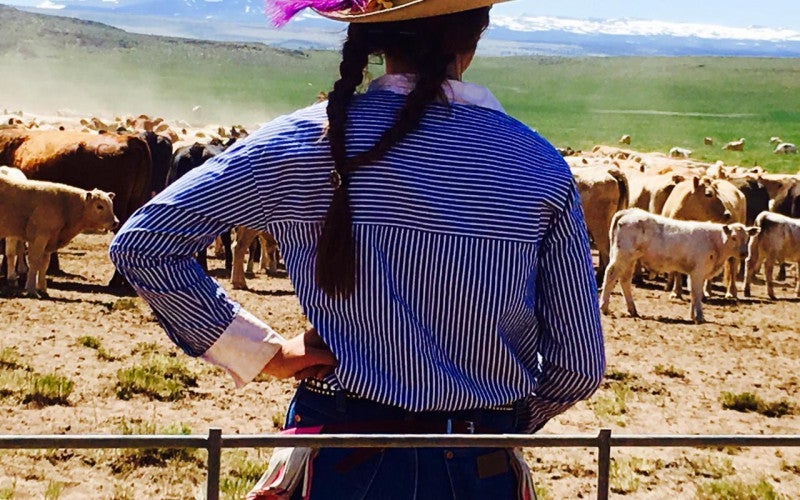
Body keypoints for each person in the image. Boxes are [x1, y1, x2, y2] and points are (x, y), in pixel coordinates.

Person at [109, 0, 605, 497]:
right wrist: (501, 421)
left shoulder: (304, 139)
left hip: (341, 455)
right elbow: (578, 367)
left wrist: (264, 353)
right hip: (479, 465)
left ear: (376, 38)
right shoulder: (539, 165)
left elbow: (145, 242)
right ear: (477, 33)